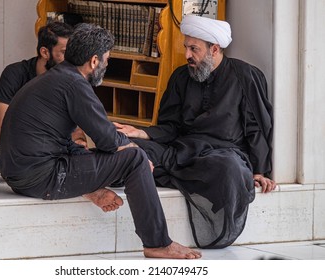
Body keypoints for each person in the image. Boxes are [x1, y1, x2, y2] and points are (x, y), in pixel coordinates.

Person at [0, 23, 201, 259]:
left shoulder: (58, 77)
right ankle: (157, 243)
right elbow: (108, 140)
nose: (106, 65)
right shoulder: (75, 84)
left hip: (19, 174)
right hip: (39, 177)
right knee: (134, 158)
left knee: (85, 149)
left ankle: (91, 189)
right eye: (106, 60)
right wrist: (138, 152)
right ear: (94, 61)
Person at [114, 15, 276, 249]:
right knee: (122, 145)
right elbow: (170, 127)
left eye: (194, 49)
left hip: (221, 156)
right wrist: (142, 134)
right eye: (186, 48)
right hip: (181, 151)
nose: (187, 55)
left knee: (230, 170)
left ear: (215, 49)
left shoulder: (245, 76)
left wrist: (260, 170)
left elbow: (257, 128)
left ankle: (160, 172)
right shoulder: (181, 76)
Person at [0, 21, 86, 177]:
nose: (72, 60)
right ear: (45, 52)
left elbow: (78, 131)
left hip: (58, 151)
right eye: (65, 52)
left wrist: (79, 142)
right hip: (22, 155)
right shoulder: (15, 74)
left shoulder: (72, 78)